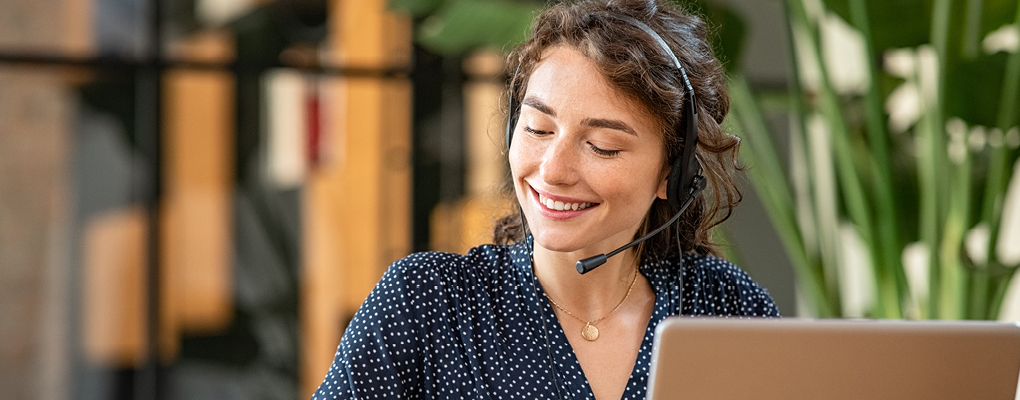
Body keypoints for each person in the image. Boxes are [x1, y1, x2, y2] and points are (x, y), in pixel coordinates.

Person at [312, 0, 778, 398]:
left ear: (672, 174)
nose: (552, 170)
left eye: (602, 146)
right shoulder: (426, 303)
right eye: (538, 129)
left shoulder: (725, 307)